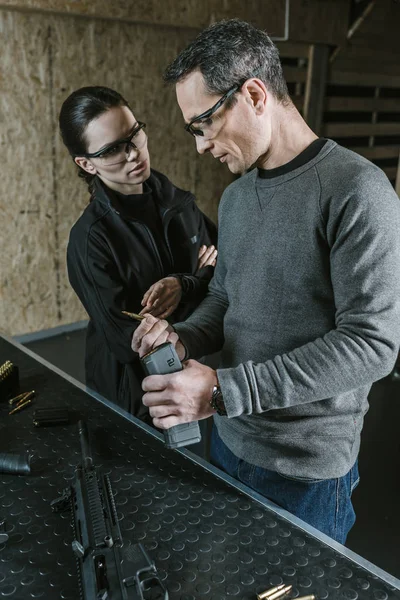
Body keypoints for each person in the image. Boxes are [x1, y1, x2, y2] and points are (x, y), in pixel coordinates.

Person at [131, 19, 400, 543]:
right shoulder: (235, 199)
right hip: (229, 442)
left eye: (202, 124)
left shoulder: (357, 192)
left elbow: (373, 344)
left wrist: (222, 392)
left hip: (304, 474)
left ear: (254, 94)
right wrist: (184, 336)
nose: (201, 146)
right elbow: (228, 297)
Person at [59, 86, 217, 420]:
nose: (134, 154)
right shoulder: (90, 240)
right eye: (113, 149)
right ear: (86, 164)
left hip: (197, 376)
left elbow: (226, 270)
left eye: (135, 135)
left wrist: (183, 284)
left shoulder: (179, 202)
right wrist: (201, 281)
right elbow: (127, 341)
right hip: (133, 395)